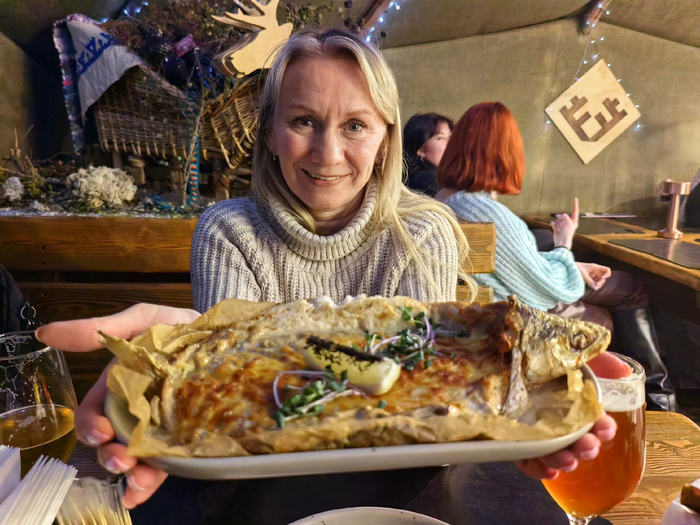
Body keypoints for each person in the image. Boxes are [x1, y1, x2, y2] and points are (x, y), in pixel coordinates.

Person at [35, 32, 615, 511]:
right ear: (269, 133)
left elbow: (425, 387)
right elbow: (238, 384)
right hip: (257, 489)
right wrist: (182, 351)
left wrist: (506, 421)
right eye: (304, 121)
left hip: (399, 486)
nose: (328, 153)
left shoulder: (427, 232)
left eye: (356, 125)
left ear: (387, 140)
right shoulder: (227, 231)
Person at [436, 101, 677, 413]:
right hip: (506, 319)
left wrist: (572, 264)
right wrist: (564, 245)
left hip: (478, 311)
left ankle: (639, 397)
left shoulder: (445, 201)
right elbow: (544, 288)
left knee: (612, 301)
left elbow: (512, 266)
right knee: (625, 295)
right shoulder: (489, 215)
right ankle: (656, 399)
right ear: (506, 153)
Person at [402, 113, 453, 197]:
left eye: (451, 136)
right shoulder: (428, 181)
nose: (450, 142)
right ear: (420, 150)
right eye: (440, 138)